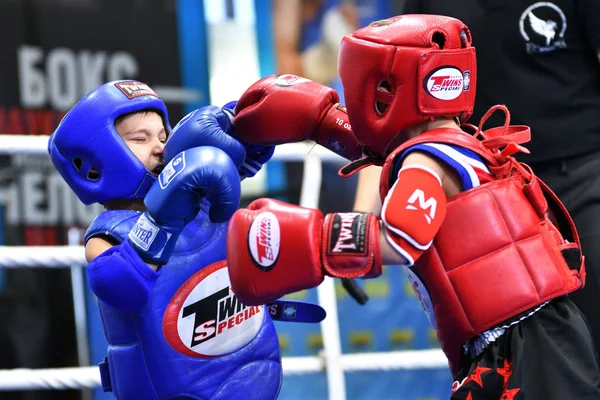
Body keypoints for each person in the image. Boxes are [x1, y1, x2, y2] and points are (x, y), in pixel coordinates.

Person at [223, 15, 600, 399]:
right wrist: (324, 122)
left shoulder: (425, 160)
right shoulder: (458, 140)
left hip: (520, 349)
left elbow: (404, 235)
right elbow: (388, 153)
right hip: (539, 334)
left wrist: (312, 241)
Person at [47, 80, 323, 400]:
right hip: (173, 387)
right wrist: (162, 218)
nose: (160, 147)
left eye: (163, 136)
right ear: (96, 162)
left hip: (252, 371)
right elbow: (119, 285)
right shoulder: (107, 234)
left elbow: (240, 160)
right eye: (141, 138)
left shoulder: (201, 198)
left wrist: (247, 127)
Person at [351, 0, 600, 354]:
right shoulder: (427, 5)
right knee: (511, 357)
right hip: (482, 192)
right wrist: (362, 218)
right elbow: (393, 115)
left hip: (584, 176)